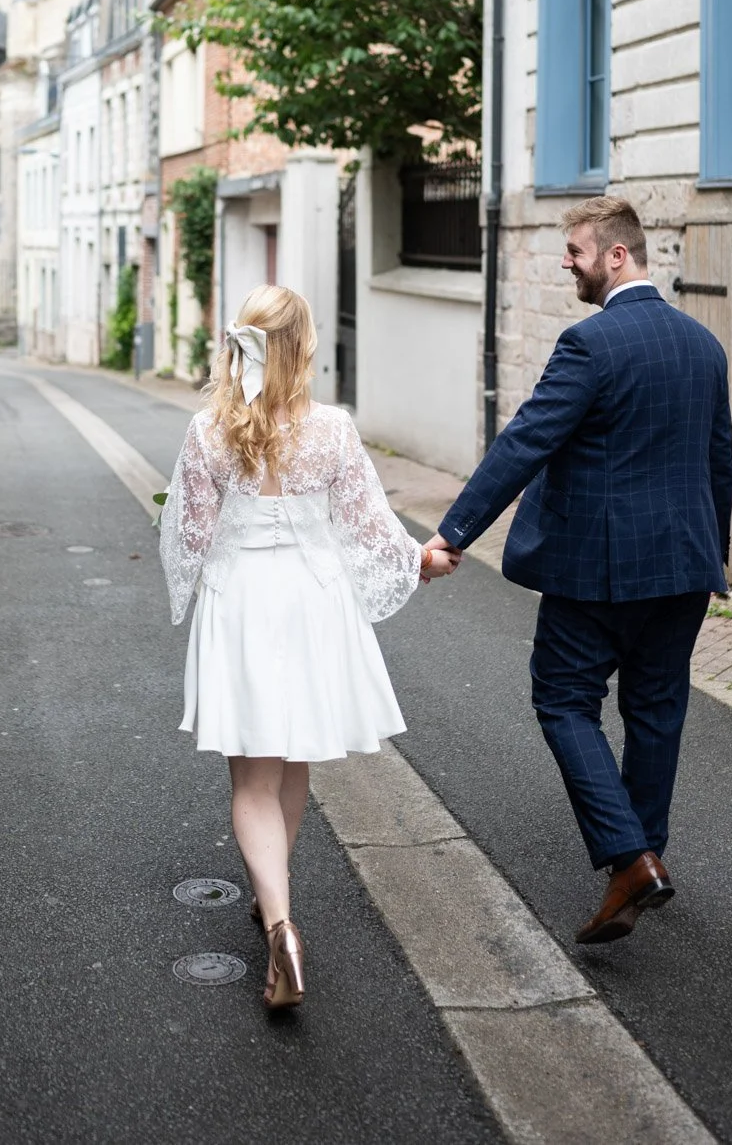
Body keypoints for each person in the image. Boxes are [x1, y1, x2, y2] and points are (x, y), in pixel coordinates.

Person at [428, 196, 732, 944]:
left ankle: (631, 860)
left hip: (596, 573)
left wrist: (453, 532)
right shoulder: (704, 345)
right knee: (657, 712)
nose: (567, 261)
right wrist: (706, 551)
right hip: (684, 568)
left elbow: (525, 442)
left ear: (617, 256)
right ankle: (642, 862)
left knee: (564, 701)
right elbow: (720, 465)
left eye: (576, 250)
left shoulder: (589, 345)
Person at [158, 284, 457, 1007]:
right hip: (315, 603)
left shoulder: (208, 432)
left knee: (251, 779)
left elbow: (191, 537)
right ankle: (274, 906)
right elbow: (369, 527)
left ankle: (280, 921)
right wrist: (422, 559)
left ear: (242, 343)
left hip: (244, 601)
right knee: (293, 762)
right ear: (303, 347)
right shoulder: (333, 429)